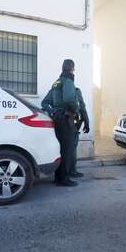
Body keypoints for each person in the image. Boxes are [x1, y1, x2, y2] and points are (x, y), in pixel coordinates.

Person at [41, 59, 80, 187]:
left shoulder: (56, 83)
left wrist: (52, 112)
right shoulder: (68, 81)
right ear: (72, 68)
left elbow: (45, 102)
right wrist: (76, 110)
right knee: (67, 149)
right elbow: (69, 99)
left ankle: (58, 177)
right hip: (66, 119)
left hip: (56, 119)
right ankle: (64, 179)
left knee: (60, 149)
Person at [69, 87, 90, 178]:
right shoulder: (75, 91)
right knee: (72, 148)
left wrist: (86, 122)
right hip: (69, 124)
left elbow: (82, 107)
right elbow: (82, 107)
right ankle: (72, 171)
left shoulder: (58, 89)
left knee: (70, 148)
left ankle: (69, 171)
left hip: (71, 123)